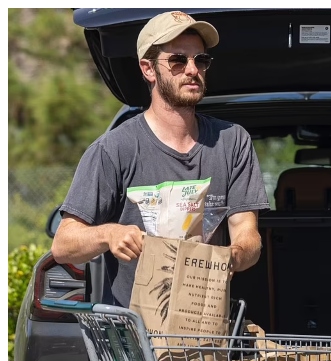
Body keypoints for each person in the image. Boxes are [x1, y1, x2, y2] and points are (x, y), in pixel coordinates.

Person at [51, 10, 270, 308]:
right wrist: (109, 234)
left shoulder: (233, 141)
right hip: (136, 339)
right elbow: (63, 245)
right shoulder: (114, 149)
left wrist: (232, 257)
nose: (192, 69)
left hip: (206, 331)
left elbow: (249, 236)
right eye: (178, 60)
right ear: (148, 69)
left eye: (200, 60)